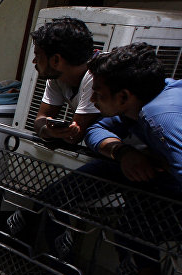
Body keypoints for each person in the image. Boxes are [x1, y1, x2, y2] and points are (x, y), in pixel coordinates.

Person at [84, 43, 182, 191]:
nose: (92, 99)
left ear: (123, 96)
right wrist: (123, 152)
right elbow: (96, 129)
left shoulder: (160, 118)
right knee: (107, 169)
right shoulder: (135, 105)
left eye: (98, 94)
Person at [30, 17, 101, 145]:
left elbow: (74, 136)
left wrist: (56, 132)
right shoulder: (57, 76)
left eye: (38, 56)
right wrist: (48, 130)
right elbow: (40, 119)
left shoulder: (97, 75)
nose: (34, 61)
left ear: (56, 60)